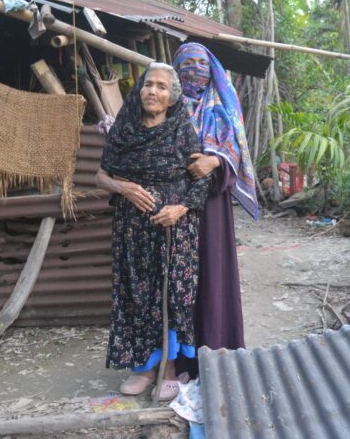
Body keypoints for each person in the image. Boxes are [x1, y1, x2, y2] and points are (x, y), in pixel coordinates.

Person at [96, 62, 210, 400]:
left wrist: (180, 208)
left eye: (161, 86)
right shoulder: (124, 129)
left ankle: (171, 369)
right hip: (132, 230)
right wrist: (124, 188)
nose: (153, 91)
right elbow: (99, 176)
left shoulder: (182, 129)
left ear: (172, 97)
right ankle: (144, 368)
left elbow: (202, 178)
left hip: (175, 230)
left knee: (172, 296)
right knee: (137, 295)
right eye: (149, 84)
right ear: (140, 89)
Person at [173, 42, 258, 361]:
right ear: (176, 70)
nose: (194, 69)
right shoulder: (169, 106)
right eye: (187, 63)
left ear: (211, 69)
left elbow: (236, 146)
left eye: (200, 62)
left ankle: (220, 350)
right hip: (175, 203)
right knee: (180, 279)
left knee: (214, 272)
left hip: (212, 207)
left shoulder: (223, 104)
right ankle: (183, 358)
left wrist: (215, 161)